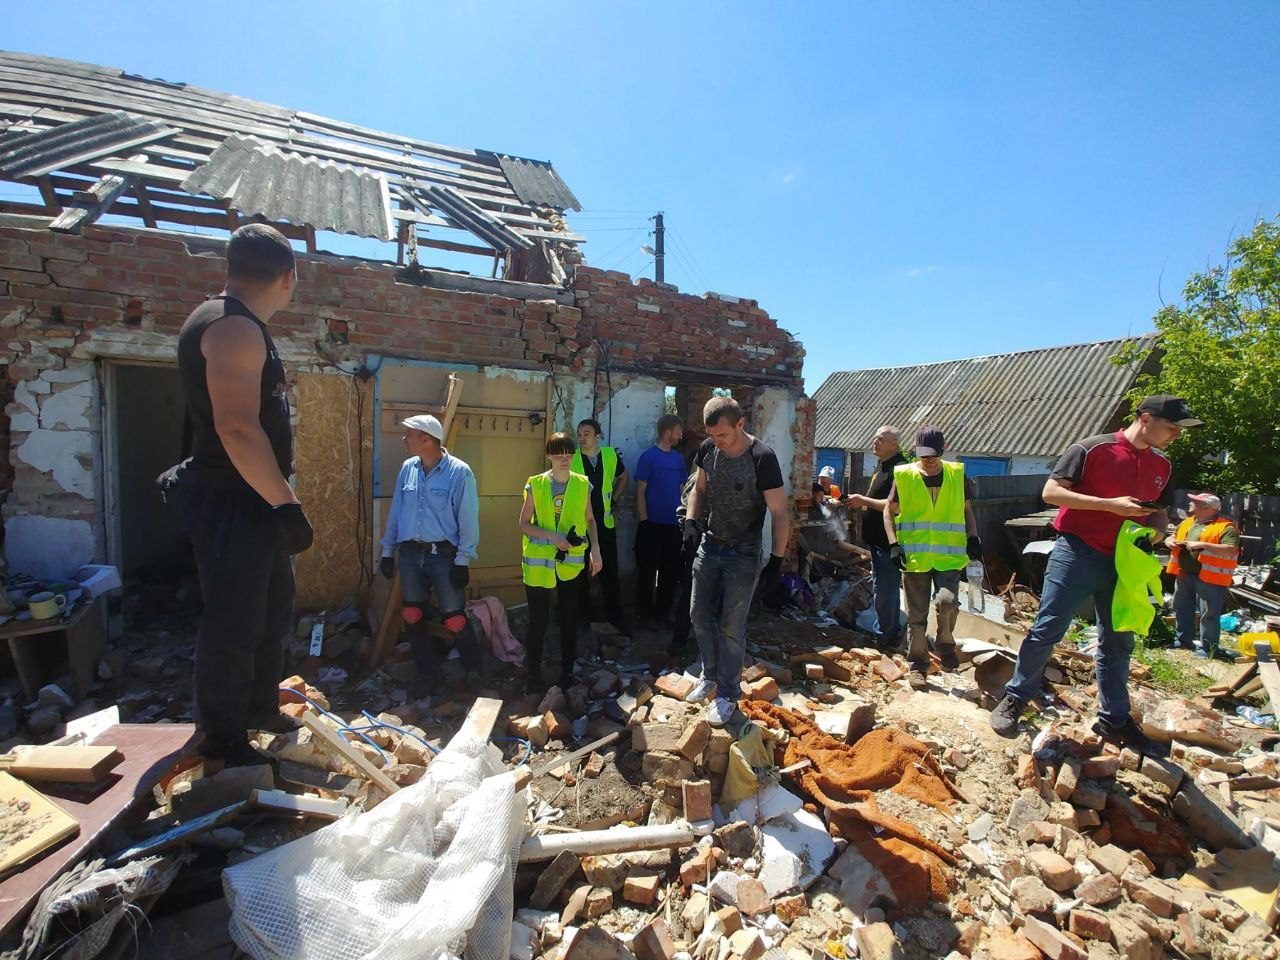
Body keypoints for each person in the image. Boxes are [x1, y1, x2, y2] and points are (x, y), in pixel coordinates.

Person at [160, 223, 312, 769]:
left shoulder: (238, 323)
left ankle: (258, 708)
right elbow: (238, 429)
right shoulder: (232, 326)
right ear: (288, 277)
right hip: (232, 499)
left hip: (250, 499)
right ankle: (221, 739)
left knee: (270, 609)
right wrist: (285, 504)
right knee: (234, 621)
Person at [990, 395, 1202, 757]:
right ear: (1145, 418)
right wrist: (1109, 506)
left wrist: (1154, 532)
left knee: (1118, 640)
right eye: (1172, 428)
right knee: (1048, 629)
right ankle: (1016, 698)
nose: (1177, 436)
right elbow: (1051, 492)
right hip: (1078, 551)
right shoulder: (1091, 449)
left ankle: (1114, 719)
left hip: (1126, 560)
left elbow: (1160, 513)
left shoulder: (1162, 465)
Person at [685, 397, 791, 727]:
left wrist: (776, 560)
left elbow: (779, 512)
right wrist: (691, 521)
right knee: (698, 613)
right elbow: (699, 489)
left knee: (732, 625)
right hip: (710, 544)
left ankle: (729, 693)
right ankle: (709, 675)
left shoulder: (762, 458)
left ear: (740, 424)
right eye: (712, 435)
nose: (717, 441)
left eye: (722, 435)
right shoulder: (708, 449)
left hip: (744, 552)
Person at [379, 414, 483, 695]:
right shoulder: (408, 469)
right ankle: (428, 676)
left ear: (425, 439)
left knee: (454, 618)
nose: (404, 439)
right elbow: (397, 512)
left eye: (409, 435)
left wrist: (463, 560)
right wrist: (387, 551)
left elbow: (468, 518)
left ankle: (474, 671)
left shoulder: (459, 472)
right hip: (410, 555)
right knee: (413, 614)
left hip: (443, 556)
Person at [883, 426, 980, 690]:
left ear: (943, 448)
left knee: (948, 602)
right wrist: (893, 544)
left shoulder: (956, 475)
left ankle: (945, 644)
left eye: (934, 454)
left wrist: (973, 537)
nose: (929, 459)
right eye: (924, 455)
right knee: (916, 616)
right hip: (915, 558)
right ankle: (918, 664)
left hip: (949, 556)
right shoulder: (904, 476)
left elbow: (967, 511)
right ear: (916, 451)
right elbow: (888, 511)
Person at [520, 432, 603, 692]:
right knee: (538, 621)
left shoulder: (582, 484)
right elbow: (524, 524)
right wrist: (552, 536)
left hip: (571, 562)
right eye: (558, 454)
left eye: (568, 453)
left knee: (569, 619)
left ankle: (567, 673)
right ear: (549, 456)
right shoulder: (535, 484)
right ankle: (533, 675)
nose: (564, 458)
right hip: (539, 562)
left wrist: (596, 549)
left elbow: (590, 519)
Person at [844, 426, 908, 650]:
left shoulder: (900, 469)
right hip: (877, 538)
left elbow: (896, 507)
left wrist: (863, 500)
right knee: (886, 587)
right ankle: (890, 631)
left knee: (885, 589)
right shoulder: (884, 465)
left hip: (887, 540)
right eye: (875, 438)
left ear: (894, 444)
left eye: (881, 439)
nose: (875, 442)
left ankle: (884, 636)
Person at [1169, 492, 1239, 660]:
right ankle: (1182, 641)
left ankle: (1208, 648)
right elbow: (1173, 536)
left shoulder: (1226, 527)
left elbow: (1230, 549)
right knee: (1181, 608)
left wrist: (1202, 545)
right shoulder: (1188, 522)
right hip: (1184, 573)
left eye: (1195, 502)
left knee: (1209, 614)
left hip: (1210, 577)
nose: (1190, 503)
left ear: (1207, 507)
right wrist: (1169, 542)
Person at [573, 419, 628, 627]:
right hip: (579, 524)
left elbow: (624, 477)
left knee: (609, 570)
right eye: (579, 434)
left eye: (586, 434)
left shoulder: (610, 455)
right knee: (579, 573)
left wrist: (614, 500)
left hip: (604, 522)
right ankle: (583, 616)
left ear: (598, 436)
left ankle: (614, 616)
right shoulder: (572, 457)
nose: (582, 438)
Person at [635, 414, 686, 626]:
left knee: (670, 571)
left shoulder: (678, 459)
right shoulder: (648, 457)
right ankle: (644, 615)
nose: (681, 436)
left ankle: (663, 612)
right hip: (652, 524)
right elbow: (640, 491)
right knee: (647, 571)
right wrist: (644, 520)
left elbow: (683, 490)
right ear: (667, 433)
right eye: (678, 432)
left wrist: (686, 518)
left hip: (674, 525)